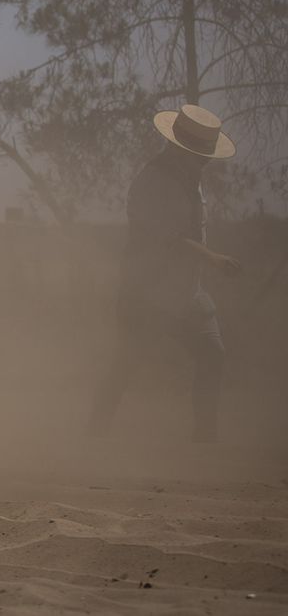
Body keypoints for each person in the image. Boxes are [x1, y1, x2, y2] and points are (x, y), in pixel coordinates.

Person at [89, 104, 240, 442]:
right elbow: (169, 239)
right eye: (201, 153)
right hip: (148, 293)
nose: (206, 160)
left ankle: (205, 438)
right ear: (180, 148)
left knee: (212, 355)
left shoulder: (191, 180)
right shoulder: (153, 181)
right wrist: (212, 258)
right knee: (126, 364)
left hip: (187, 292)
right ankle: (94, 434)